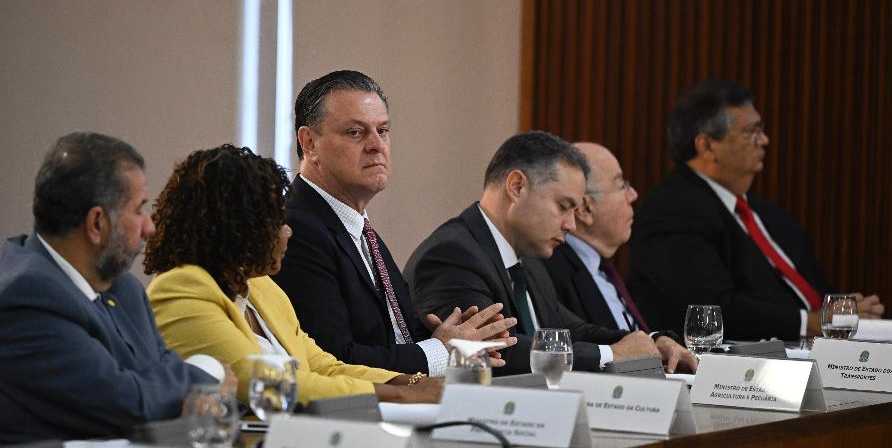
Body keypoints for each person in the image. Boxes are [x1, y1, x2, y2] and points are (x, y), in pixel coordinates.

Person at [145, 144, 443, 406]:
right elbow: (264, 383)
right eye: (276, 220)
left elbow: (322, 366)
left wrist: (413, 383)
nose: (288, 231)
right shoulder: (179, 290)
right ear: (237, 228)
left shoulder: (260, 287)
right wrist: (400, 396)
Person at [272, 70, 517, 377]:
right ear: (309, 143)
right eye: (355, 133)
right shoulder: (297, 229)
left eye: (383, 130)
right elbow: (332, 358)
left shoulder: (360, 229)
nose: (377, 145)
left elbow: (393, 340)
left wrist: (457, 338)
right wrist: (440, 351)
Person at [0, 132, 228, 444]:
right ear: (97, 223)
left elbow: (163, 371)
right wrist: (207, 373)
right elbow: (128, 404)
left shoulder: (124, 289)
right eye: (139, 210)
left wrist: (167, 392)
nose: (150, 227)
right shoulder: (27, 297)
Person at [405, 131, 695, 375]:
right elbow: (489, 354)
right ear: (517, 187)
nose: (571, 224)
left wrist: (651, 342)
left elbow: (573, 330)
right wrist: (610, 354)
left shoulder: (526, 257)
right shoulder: (452, 255)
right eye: (563, 206)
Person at [628, 79, 884, 341]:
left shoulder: (770, 215)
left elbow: (810, 292)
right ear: (707, 146)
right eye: (752, 132)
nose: (764, 140)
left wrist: (848, 309)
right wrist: (812, 321)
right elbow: (715, 310)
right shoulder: (672, 211)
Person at [542, 143, 696, 371]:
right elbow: (576, 341)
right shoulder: (551, 268)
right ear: (585, 208)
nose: (633, 194)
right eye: (621, 184)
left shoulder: (602, 268)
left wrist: (655, 340)